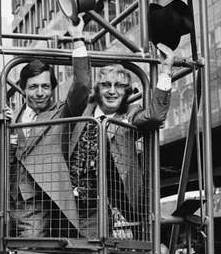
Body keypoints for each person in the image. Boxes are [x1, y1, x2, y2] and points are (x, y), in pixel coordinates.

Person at [69, 43, 175, 239]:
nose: (112, 91)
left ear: (126, 91)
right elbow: (82, 83)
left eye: (119, 86)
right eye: (106, 85)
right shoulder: (83, 109)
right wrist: (77, 40)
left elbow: (155, 116)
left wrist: (166, 71)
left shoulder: (131, 115)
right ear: (97, 89)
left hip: (116, 209)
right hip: (73, 206)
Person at [10, 17, 91, 239]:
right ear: (23, 90)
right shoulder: (13, 117)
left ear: (53, 88)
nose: (40, 93)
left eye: (45, 86)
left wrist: (77, 39)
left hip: (40, 201)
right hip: (8, 202)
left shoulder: (63, 112)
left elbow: (83, 85)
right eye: (33, 87)